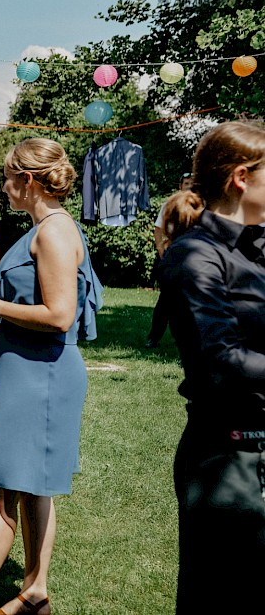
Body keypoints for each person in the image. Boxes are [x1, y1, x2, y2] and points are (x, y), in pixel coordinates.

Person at [0, 138, 103, 615]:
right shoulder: (45, 227)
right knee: (34, 485)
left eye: (7, 178)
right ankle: (34, 593)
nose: (3, 187)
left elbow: (60, 315)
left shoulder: (53, 233)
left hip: (42, 374)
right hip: (25, 370)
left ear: (28, 180)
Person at [157, 121, 265, 613]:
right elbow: (217, 360)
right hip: (229, 459)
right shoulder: (195, 256)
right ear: (242, 177)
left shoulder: (258, 251)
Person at [144, 172, 195, 348]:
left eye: (192, 183)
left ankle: (187, 341)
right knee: (165, 301)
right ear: (180, 186)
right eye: (186, 183)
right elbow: (158, 229)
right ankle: (154, 337)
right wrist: (160, 249)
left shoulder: (200, 205)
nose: (189, 186)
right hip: (173, 258)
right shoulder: (170, 205)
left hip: (193, 259)